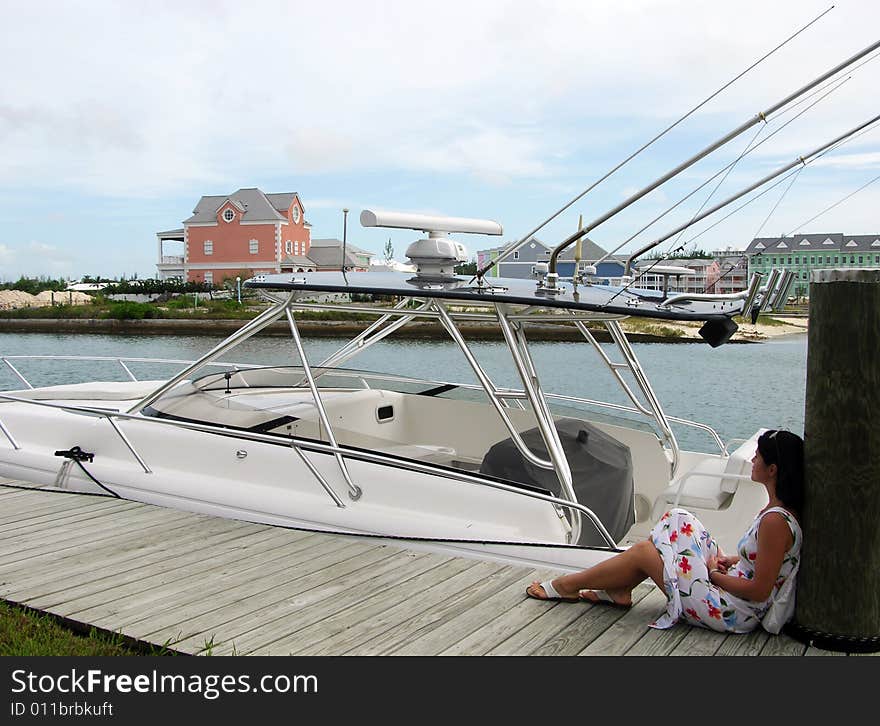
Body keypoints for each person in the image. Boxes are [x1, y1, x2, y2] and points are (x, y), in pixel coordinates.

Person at [526, 429, 804, 633]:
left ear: (772, 470)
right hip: (733, 589)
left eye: (757, 458)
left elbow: (759, 590)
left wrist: (715, 575)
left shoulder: (775, 522)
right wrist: (730, 561)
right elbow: (760, 562)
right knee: (679, 518)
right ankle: (618, 590)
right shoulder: (774, 511)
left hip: (731, 611)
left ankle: (570, 585)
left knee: (645, 552)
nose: (752, 461)